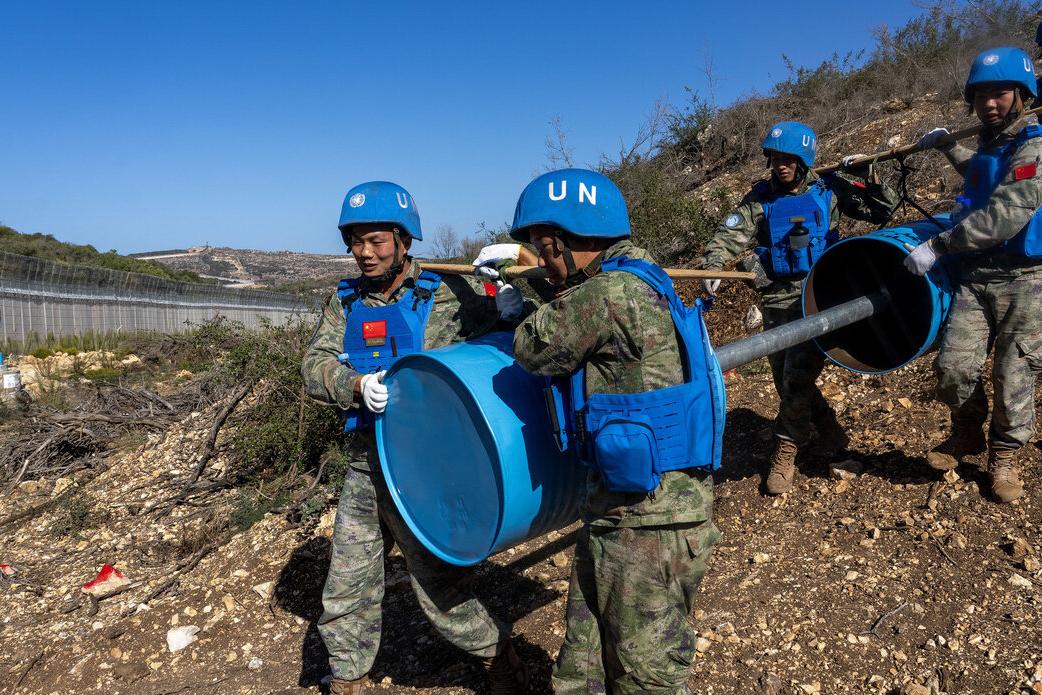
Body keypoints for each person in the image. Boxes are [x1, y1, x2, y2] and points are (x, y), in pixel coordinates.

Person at [301, 181, 529, 694]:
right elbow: (312, 366)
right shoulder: (343, 303)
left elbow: (527, 342)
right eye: (356, 241)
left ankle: (500, 661)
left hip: (429, 467)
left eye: (376, 240)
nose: (364, 253)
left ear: (405, 241)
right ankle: (347, 677)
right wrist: (353, 383)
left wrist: (514, 304)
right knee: (347, 583)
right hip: (365, 464)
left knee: (439, 588)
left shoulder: (451, 292)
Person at [509, 167, 724, 694]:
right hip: (633, 509)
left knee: (645, 676)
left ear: (564, 240)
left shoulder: (609, 294)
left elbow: (535, 348)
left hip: (645, 524)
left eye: (543, 248)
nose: (543, 263)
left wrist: (515, 300)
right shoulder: (645, 275)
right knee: (581, 660)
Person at [698, 121, 899, 495]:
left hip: (820, 296)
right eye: (775, 158)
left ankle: (785, 452)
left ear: (803, 161)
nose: (781, 166)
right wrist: (713, 264)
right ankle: (828, 428)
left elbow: (883, 211)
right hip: (775, 299)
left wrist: (867, 178)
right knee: (783, 378)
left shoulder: (830, 191)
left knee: (796, 376)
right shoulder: (759, 200)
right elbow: (729, 236)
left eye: (789, 159)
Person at [907, 47, 1042, 503]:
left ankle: (1004, 457)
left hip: (1024, 280)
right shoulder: (992, 144)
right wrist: (950, 147)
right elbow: (982, 176)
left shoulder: (1035, 146)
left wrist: (939, 245)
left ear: (1022, 95)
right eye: (980, 95)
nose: (989, 103)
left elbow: (1007, 212)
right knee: (953, 368)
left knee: (1014, 374)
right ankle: (967, 432)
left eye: (1000, 93)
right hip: (975, 275)